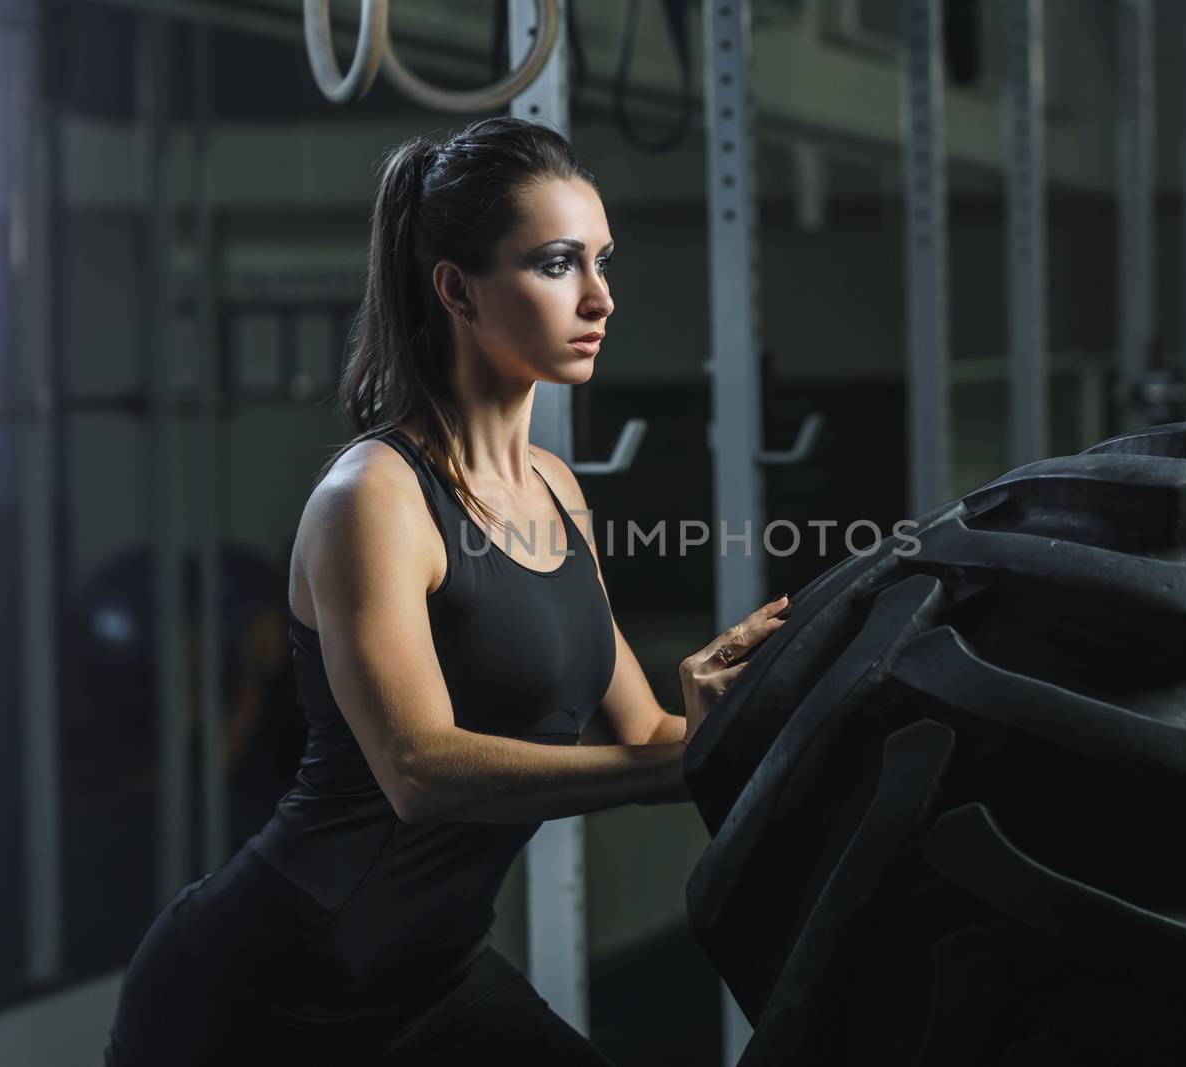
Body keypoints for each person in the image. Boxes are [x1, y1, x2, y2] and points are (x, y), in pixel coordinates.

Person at [103, 115, 792, 1066]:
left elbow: (647, 734)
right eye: (557, 264)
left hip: (434, 977)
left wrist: (796, 695)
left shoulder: (555, 486)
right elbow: (420, 770)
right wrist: (682, 765)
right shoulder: (373, 497)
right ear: (458, 288)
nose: (600, 297)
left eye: (602, 260)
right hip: (271, 985)